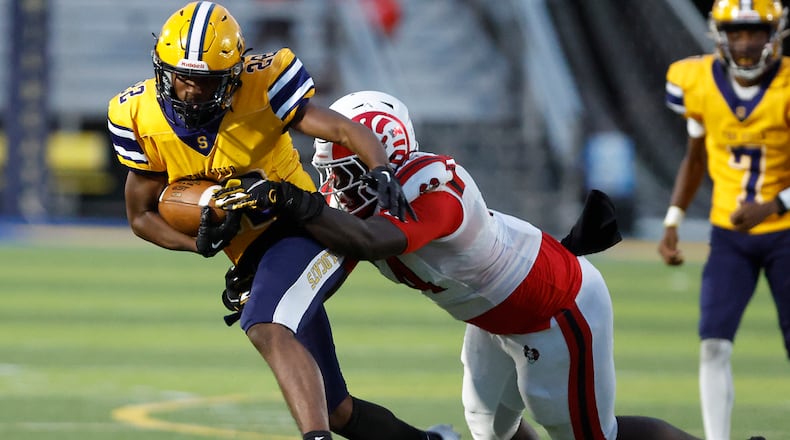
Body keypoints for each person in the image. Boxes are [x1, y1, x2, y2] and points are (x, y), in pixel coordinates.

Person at [214, 90, 709, 440]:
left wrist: (298, 206)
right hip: (490, 317)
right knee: (488, 426)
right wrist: (261, 272)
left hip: (554, 308)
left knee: (588, 434)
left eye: (344, 172)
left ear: (380, 157)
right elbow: (328, 255)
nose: (334, 186)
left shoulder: (434, 186)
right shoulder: (363, 199)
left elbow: (369, 242)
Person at [106, 2, 456, 439]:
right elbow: (140, 216)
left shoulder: (263, 84)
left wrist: (380, 167)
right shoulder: (137, 115)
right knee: (336, 408)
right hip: (251, 253)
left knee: (266, 324)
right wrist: (199, 243)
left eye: (205, 81)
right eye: (182, 78)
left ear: (233, 75)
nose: (192, 91)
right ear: (162, 68)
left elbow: (344, 129)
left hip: (304, 226)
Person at [659, 1, 790, 439]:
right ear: (720, 35)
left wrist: (773, 206)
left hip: (786, 233)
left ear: (776, 33)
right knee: (713, 344)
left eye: (756, 31)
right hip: (729, 236)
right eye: (737, 32)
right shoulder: (694, 81)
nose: (747, 42)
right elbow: (695, 157)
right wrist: (674, 218)